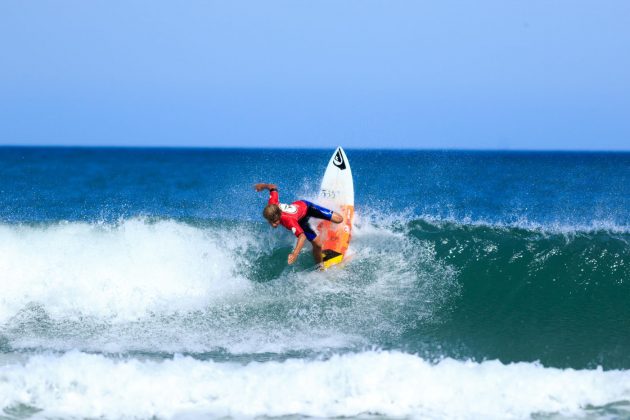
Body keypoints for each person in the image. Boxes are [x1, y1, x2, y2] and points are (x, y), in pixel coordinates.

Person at [254, 183, 343, 265]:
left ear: (279, 214)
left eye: (275, 221)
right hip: (300, 221)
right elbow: (273, 187)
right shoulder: (272, 205)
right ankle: (320, 266)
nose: (273, 225)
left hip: (306, 207)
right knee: (318, 244)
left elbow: (302, 236)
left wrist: (295, 254)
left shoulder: (289, 220)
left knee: (339, 219)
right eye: (270, 221)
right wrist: (262, 186)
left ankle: (321, 222)